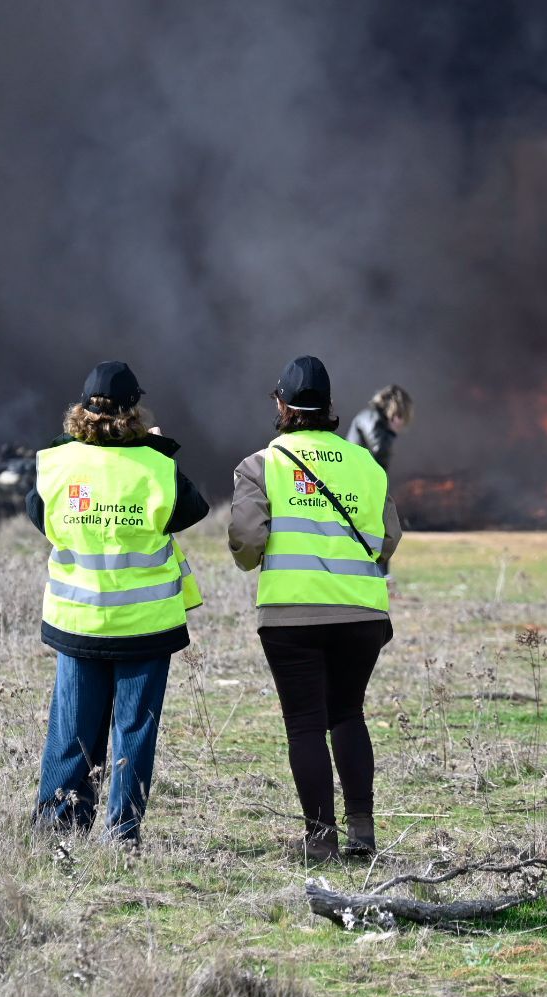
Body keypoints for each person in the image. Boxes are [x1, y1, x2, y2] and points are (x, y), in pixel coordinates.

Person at [229, 356, 402, 860]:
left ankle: (321, 839)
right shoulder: (365, 463)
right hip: (362, 615)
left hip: (292, 617)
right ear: (329, 407)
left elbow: (245, 539)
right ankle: (363, 833)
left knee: (305, 724)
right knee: (348, 713)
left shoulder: (260, 465)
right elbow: (389, 537)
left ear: (281, 405)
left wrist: (251, 558)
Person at [27, 360, 207, 842]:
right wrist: (153, 445)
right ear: (134, 411)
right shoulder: (156, 466)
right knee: (134, 733)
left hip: (79, 621)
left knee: (72, 730)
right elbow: (193, 508)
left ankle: (60, 826)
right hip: (145, 628)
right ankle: (122, 833)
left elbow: (38, 515)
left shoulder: (58, 463)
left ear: (81, 409)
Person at [345, 384, 414, 471]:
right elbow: (380, 453)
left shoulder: (370, 417)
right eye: (400, 415)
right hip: (355, 475)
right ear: (393, 410)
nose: (401, 423)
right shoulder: (375, 422)